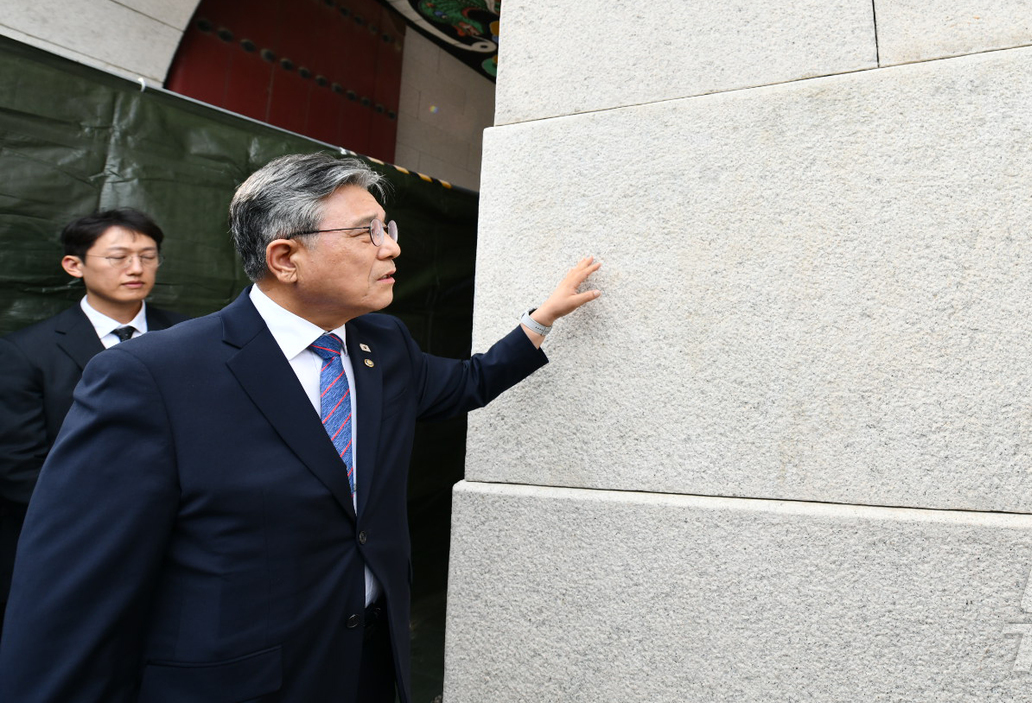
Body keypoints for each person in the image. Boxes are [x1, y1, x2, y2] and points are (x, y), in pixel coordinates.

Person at [0, 153, 601, 702]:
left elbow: (466, 384)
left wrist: (540, 321)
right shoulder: (151, 376)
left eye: (387, 228)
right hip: (238, 680)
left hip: (368, 663)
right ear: (285, 257)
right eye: (365, 233)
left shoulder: (382, 345)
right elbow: (74, 592)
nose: (390, 249)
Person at [0, 208, 186, 637]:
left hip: (179, 536)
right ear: (74, 265)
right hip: (74, 544)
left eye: (148, 255)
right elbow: (18, 468)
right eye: (118, 257)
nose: (136, 268)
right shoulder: (26, 353)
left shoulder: (187, 335)